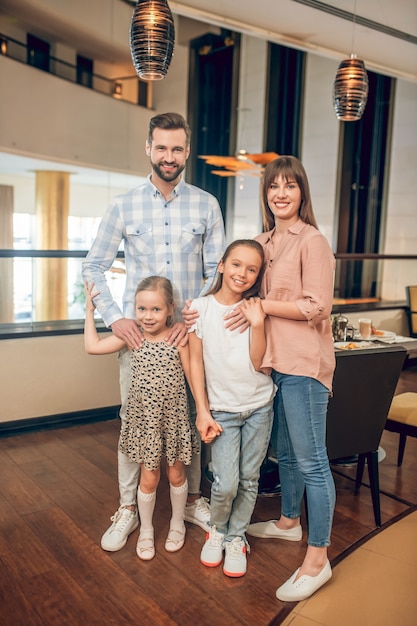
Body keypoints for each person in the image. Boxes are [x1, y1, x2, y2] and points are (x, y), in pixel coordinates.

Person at [82, 112, 226, 552]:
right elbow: (93, 266)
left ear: (187, 151)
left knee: (191, 420)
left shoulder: (206, 205)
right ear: (148, 148)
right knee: (135, 423)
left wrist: (192, 318)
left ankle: (191, 502)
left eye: (177, 148)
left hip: (188, 340)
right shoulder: (124, 205)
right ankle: (128, 509)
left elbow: (216, 273)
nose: (169, 156)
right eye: (161, 147)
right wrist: (113, 317)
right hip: (138, 342)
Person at [242, 155, 336, 601]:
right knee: (286, 453)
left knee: (313, 461)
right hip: (272, 363)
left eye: (290, 185)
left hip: (304, 365)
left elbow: (317, 305)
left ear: (302, 193)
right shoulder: (262, 242)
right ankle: (288, 522)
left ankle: (318, 559)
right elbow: (242, 284)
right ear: (266, 194)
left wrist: (263, 307)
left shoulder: (312, 241)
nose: (281, 193)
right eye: (273, 186)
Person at [84, 276, 198, 559]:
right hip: (145, 422)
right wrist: (90, 311)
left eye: (156, 310)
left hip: (173, 420)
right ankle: (145, 529)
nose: (148, 316)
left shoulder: (178, 338)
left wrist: (204, 412)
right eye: (142, 309)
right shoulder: (130, 337)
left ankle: (176, 524)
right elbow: (92, 346)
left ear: (170, 309)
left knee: (176, 473)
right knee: (148, 478)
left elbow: (195, 376)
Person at [188, 240, 275, 578]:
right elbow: (195, 363)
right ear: (222, 265)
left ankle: (237, 537)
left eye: (252, 269)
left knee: (250, 479)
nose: (243, 273)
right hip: (221, 411)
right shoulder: (200, 308)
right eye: (236, 264)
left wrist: (257, 322)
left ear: (257, 276)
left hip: (258, 406)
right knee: (225, 483)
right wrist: (202, 410)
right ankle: (217, 530)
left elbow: (259, 361)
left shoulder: (256, 309)